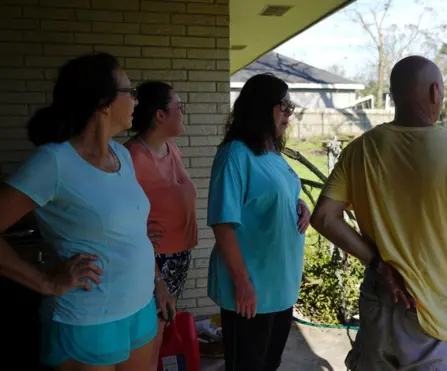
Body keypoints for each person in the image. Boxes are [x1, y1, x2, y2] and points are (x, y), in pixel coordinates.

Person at [310, 55, 447, 371]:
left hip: (379, 301)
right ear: (435, 92)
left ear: (394, 95)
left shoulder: (360, 149)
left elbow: (323, 217)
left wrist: (377, 262)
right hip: (432, 311)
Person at [0, 52, 174, 371]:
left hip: (140, 308)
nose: (136, 100)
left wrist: (157, 280)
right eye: (130, 91)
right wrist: (46, 283)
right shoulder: (54, 162)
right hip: (89, 318)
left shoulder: (121, 155)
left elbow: (128, 229)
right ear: (104, 103)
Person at [206, 73, 311, 371]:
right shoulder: (235, 155)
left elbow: (275, 194)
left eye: (291, 107)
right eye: (284, 106)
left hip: (280, 287)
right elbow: (223, 224)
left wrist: (300, 206)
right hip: (252, 290)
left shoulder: (272, 153)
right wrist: (242, 283)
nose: (289, 113)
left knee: (269, 364)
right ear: (262, 107)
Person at [124, 81, 198, 370]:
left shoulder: (171, 149)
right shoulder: (131, 157)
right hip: (154, 261)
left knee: (162, 329)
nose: (183, 113)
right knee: (149, 337)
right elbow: (122, 214)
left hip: (178, 257)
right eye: (178, 107)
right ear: (160, 115)